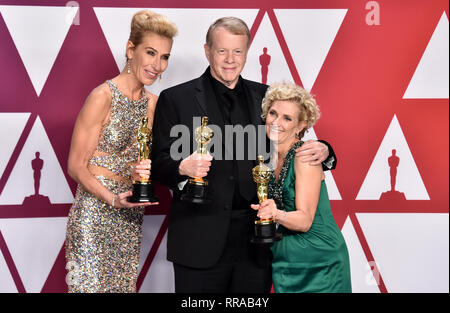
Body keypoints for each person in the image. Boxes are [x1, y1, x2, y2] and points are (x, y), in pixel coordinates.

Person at [151, 16, 336, 293]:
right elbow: (157, 164)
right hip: (198, 240)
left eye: (237, 51)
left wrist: (326, 151)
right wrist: (182, 168)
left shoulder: (266, 97)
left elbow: (292, 141)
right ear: (207, 51)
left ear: (247, 53)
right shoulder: (176, 98)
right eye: (222, 50)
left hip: (256, 243)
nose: (230, 59)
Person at [65, 10, 177, 293]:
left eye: (164, 57)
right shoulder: (102, 96)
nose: (157, 65)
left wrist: (141, 173)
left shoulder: (154, 104)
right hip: (95, 214)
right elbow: (76, 165)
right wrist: (112, 199)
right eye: (150, 53)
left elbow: (148, 160)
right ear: (131, 50)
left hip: (128, 217)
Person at [252, 82, 351, 293]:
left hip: (320, 262)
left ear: (300, 126)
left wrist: (274, 213)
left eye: (287, 118)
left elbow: (305, 221)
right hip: (286, 261)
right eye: (273, 113)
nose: (276, 122)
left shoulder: (305, 156)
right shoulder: (268, 158)